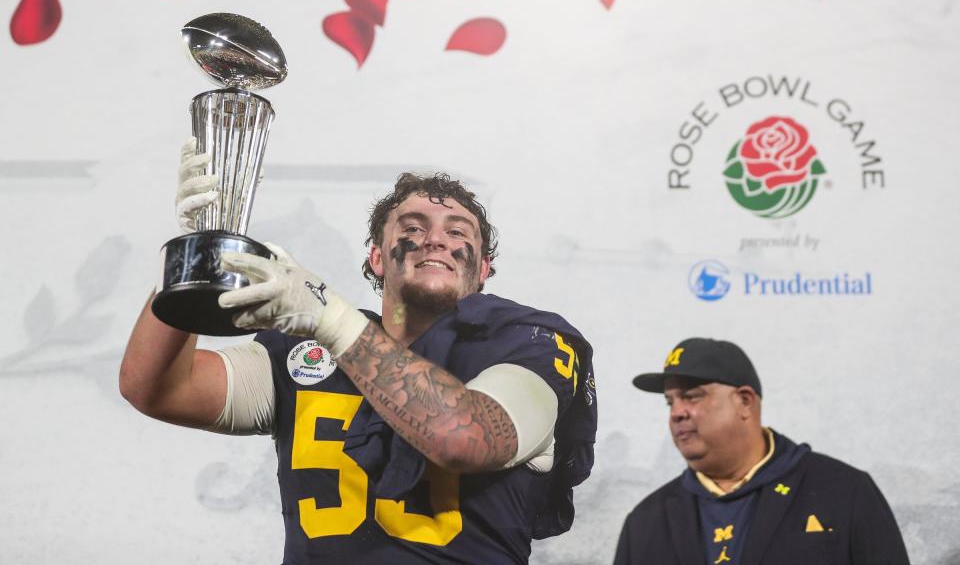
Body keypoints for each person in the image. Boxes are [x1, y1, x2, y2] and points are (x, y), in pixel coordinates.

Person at [119, 140, 597, 565]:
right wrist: (194, 252)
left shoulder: (525, 343)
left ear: (484, 268)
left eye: (457, 232)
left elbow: (463, 438)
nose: (435, 238)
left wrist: (330, 318)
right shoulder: (307, 352)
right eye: (413, 226)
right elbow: (156, 388)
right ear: (375, 256)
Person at [613, 337, 908, 565]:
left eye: (692, 396)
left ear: (744, 402)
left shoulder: (844, 492)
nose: (677, 413)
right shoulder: (645, 521)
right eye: (670, 402)